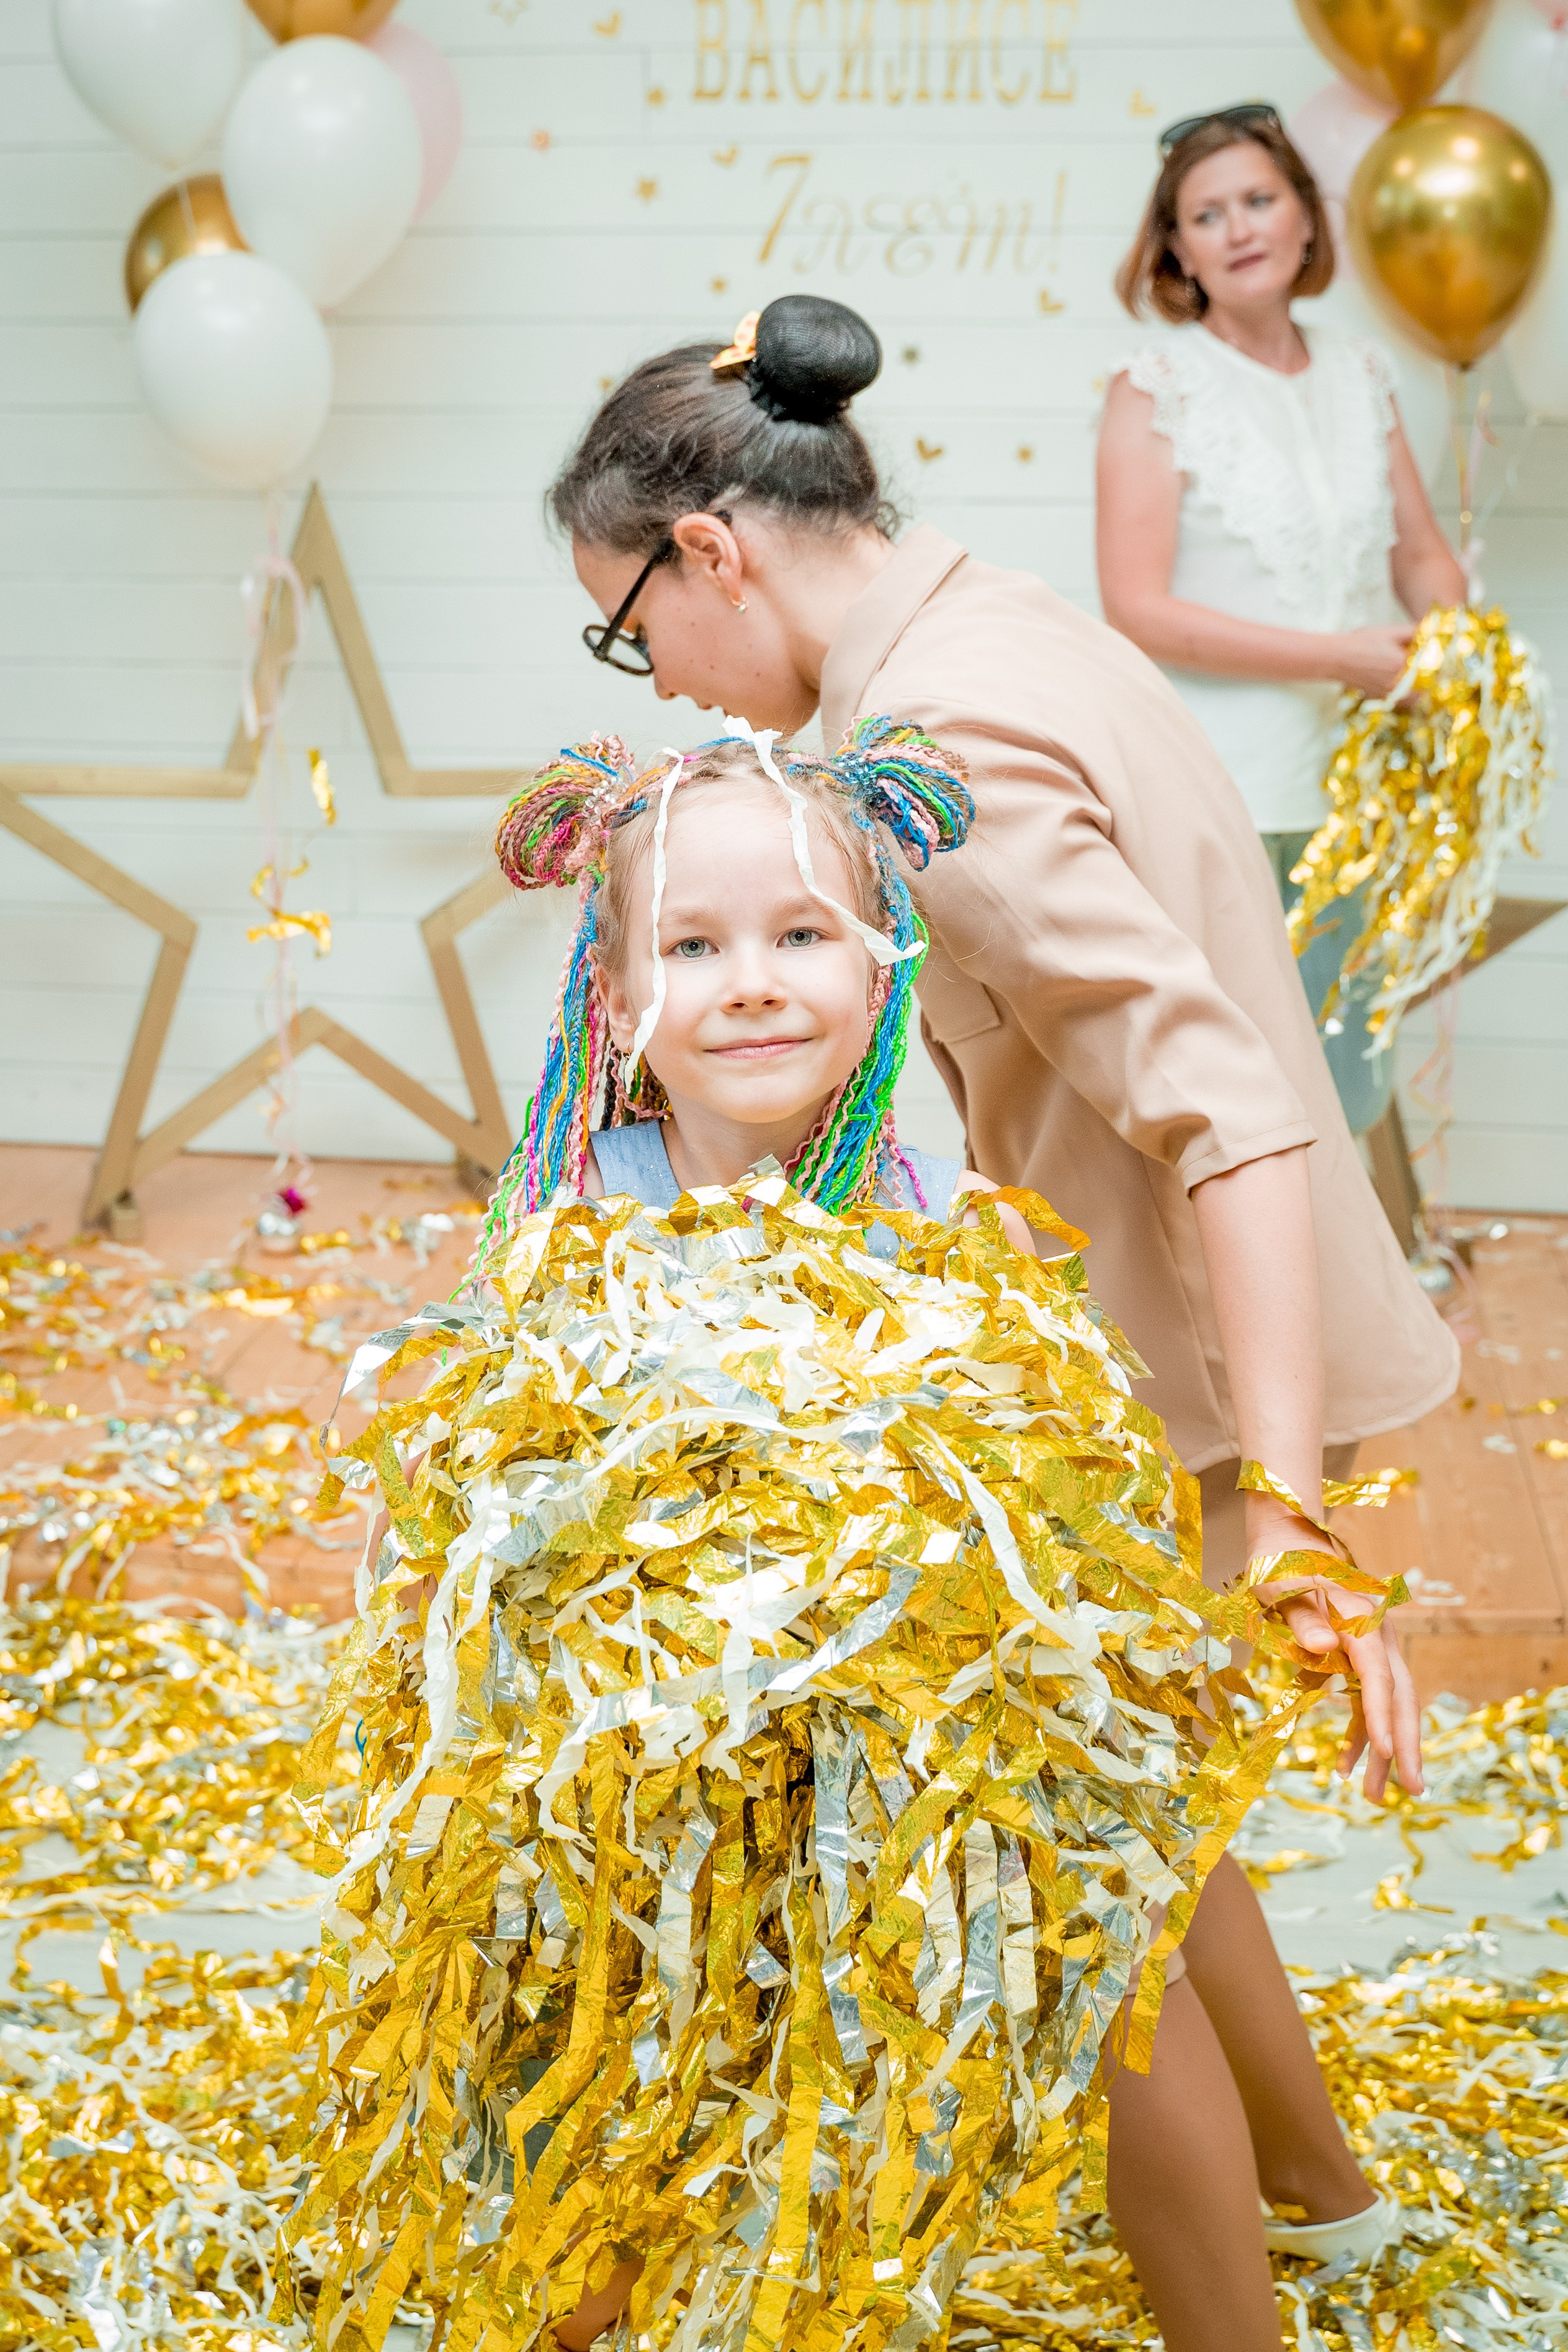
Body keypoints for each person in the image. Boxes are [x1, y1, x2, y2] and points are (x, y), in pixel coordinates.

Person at [545, 289, 1458, 2352]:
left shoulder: (932, 746)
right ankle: (1324, 2192)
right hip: (1177, 1332)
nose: (657, 679)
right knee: (1161, 1822)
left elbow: (1221, 1104)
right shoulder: (983, 611)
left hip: (1185, 1368)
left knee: (1101, 1897)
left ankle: (1254, 2274)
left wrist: (1281, 1505)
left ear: (708, 553)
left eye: (629, 630)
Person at [1096, 104, 1468, 1136]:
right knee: (1236, 1079)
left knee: (1349, 1066)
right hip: (1224, 784)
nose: (1240, 229)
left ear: (1306, 215)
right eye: (1207, 215)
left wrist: (1450, 640)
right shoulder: (1156, 387)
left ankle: (1353, 1247)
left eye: (1260, 199)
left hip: (1358, 782)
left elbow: (1419, 551)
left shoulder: (1361, 369)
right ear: (1178, 250)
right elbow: (1136, 605)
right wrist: (1338, 656)